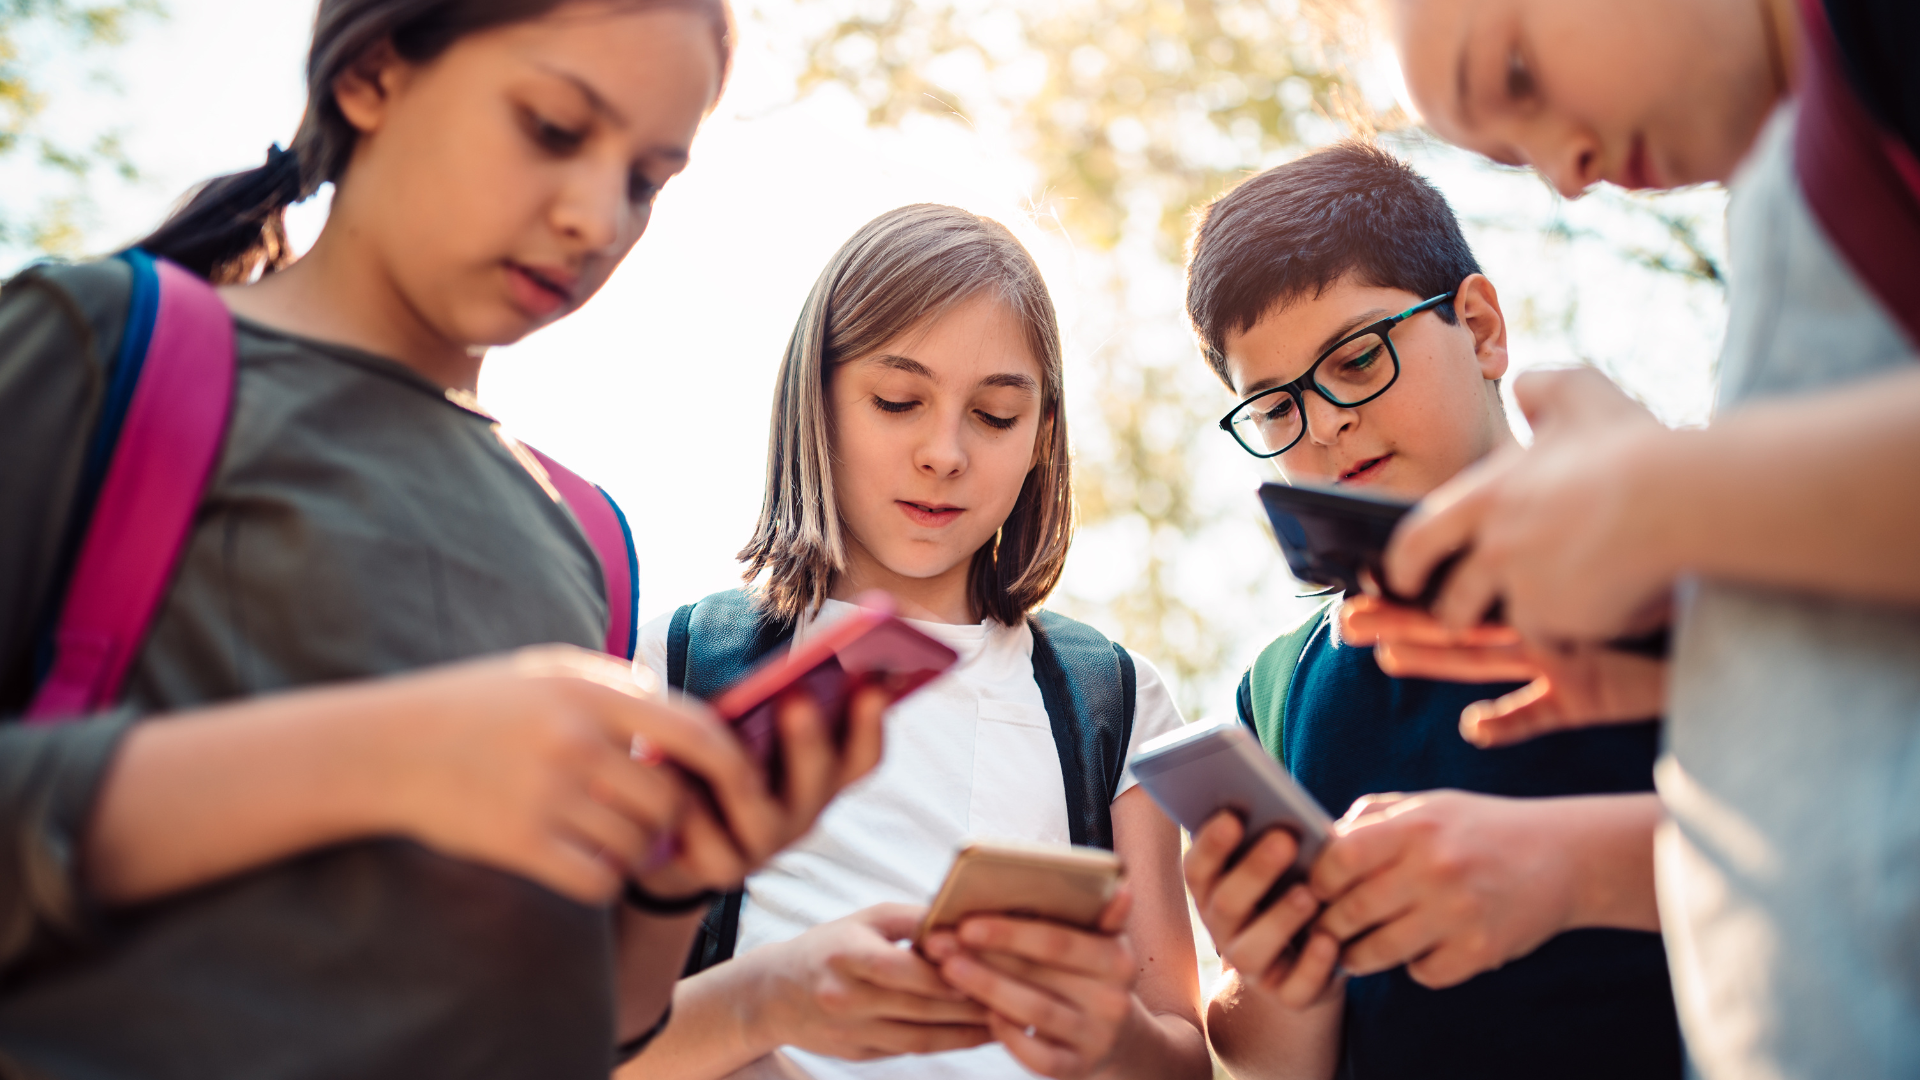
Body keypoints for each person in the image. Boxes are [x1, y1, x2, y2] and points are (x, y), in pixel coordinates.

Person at [0, 2, 884, 1076]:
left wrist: (672, 878)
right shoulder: (104, 348)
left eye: (648, 180)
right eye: (555, 128)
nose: (597, 217)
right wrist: (392, 756)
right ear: (373, 75)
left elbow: (585, 1025)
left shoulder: (589, 536)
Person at [1344, 0, 1920, 1075]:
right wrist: (1724, 623)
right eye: (1512, 157)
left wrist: (1673, 498)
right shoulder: (1791, 187)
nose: (1565, 170)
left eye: (1515, 71)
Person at [622, 203, 1212, 1080]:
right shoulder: (683, 661)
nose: (944, 453)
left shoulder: (1110, 700)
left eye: (997, 415)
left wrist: (1110, 1037)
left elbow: (1181, 1055)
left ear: (1043, 435)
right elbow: (584, 1035)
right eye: (898, 401)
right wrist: (758, 1015)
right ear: (816, 400)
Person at [1175, 142, 1681, 1080]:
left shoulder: (1678, 557)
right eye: (1277, 408)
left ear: (1482, 328)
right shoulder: (1280, 693)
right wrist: (1272, 967)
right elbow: (1281, 1064)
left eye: (1358, 358)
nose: (1324, 423)